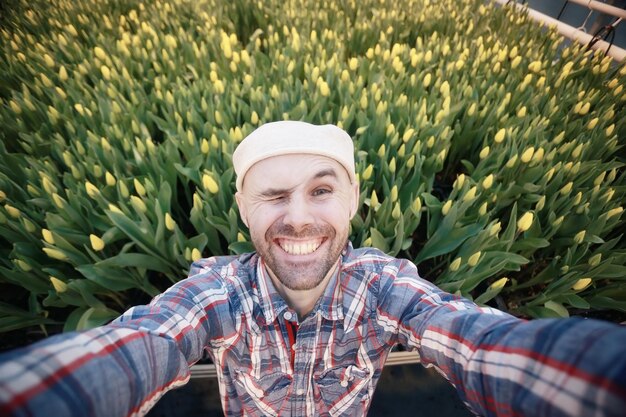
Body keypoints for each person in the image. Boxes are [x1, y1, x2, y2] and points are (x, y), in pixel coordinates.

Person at [1, 120, 625, 417]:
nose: (297, 218)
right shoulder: (220, 293)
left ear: (354, 201)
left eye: (321, 191)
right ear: (241, 208)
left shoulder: (382, 286)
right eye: (272, 195)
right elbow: (143, 343)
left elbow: (476, 340)